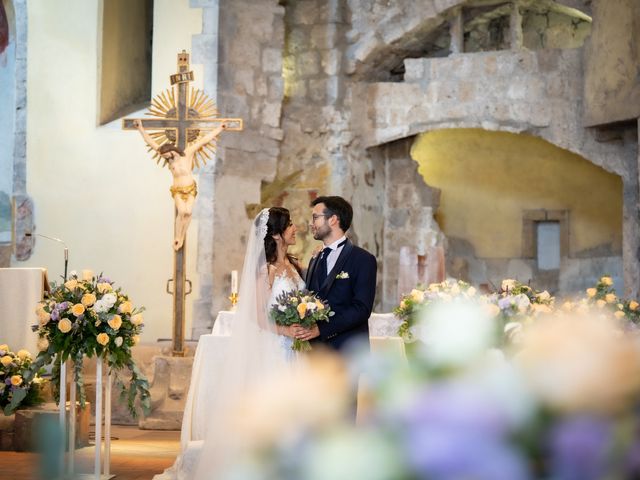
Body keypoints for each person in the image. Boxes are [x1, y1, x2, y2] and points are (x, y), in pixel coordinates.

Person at [154, 207, 302, 480]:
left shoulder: (292, 265)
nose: (296, 228)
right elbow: (258, 316)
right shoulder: (265, 270)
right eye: (290, 224)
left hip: (293, 350)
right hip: (275, 347)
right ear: (278, 234)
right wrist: (286, 329)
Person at [295, 196, 377, 351]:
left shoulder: (363, 259)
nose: (311, 224)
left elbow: (361, 309)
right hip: (316, 352)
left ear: (333, 219)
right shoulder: (316, 258)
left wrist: (321, 329)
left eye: (315, 217)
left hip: (348, 351)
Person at [133, 119, 227, 250]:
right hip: (177, 190)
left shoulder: (187, 153)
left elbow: (204, 140)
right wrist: (140, 128)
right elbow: (150, 142)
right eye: (164, 156)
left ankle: (182, 237)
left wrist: (219, 128)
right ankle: (178, 237)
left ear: (172, 151)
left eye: (166, 155)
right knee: (182, 211)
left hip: (190, 188)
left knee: (188, 212)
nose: (166, 158)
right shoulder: (170, 161)